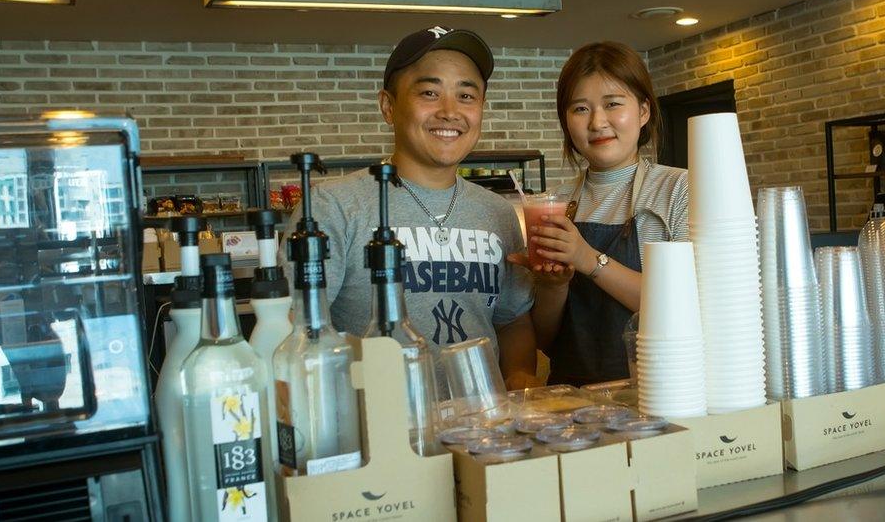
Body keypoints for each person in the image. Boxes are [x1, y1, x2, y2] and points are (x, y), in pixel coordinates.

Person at [278, 26, 538, 390]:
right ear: (388, 106)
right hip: (378, 432)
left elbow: (512, 320)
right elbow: (298, 331)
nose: (450, 112)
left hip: (481, 433)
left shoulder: (497, 212)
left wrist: (520, 380)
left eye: (466, 95)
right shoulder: (332, 206)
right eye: (430, 93)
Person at [510, 41, 689, 386]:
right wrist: (553, 286)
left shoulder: (678, 189)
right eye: (580, 109)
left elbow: (682, 309)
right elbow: (546, 341)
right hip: (573, 403)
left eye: (612, 104)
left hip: (659, 393)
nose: (597, 121)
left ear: (643, 111)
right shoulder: (556, 205)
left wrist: (587, 259)